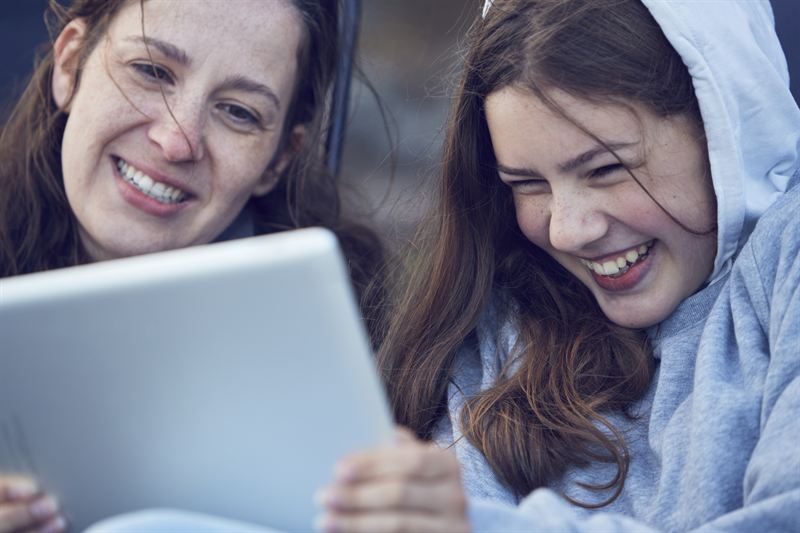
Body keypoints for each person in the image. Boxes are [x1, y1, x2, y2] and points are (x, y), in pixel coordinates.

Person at [315, 0, 800, 532]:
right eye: (528, 184)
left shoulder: (785, 257)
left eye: (605, 169)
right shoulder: (504, 327)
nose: (568, 232)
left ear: (722, 130)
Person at [0, 1, 385, 532]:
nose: (176, 141)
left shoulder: (352, 353)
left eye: (238, 112)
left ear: (278, 159)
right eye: (151, 71)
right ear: (69, 65)